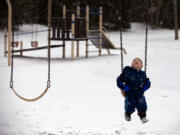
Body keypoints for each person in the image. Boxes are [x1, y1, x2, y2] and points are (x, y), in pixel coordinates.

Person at [116, 57, 151, 123]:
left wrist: (146, 86)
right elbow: (119, 80)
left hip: (139, 91)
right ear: (132, 64)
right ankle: (128, 113)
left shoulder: (143, 74)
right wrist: (123, 87)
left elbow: (146, 83)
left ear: (141, 65)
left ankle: (142, 116)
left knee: (141, 101)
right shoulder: (127, 71)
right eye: (134, 60)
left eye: (138, 61)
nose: (136, 61)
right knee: (130, 102)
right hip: (129, 91)